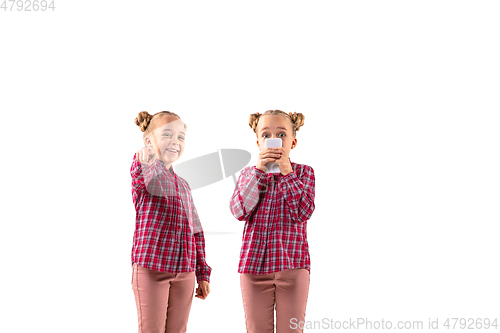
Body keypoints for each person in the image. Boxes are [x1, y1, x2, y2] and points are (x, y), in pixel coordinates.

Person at [229, 110, 316, 333]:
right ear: (258, 142)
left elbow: (303, 212)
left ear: (293, 142)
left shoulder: (304, 173)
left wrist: (287, 173)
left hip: (293, 266)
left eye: (281, 135)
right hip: (254, 269)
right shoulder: (249, 174)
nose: (273, 140)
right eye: (266, 135)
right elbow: (239, 211)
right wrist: (259, 172)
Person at [130, 111, 211, 333]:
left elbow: (196, 231)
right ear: (149, 140)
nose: (175, 141)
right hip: (152, 268)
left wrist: (202, 272)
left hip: (185, 272)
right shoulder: (144, 170)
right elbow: (145, 183)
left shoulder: (183, 185)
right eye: (167, 134)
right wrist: (146, 159)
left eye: (181, 137)